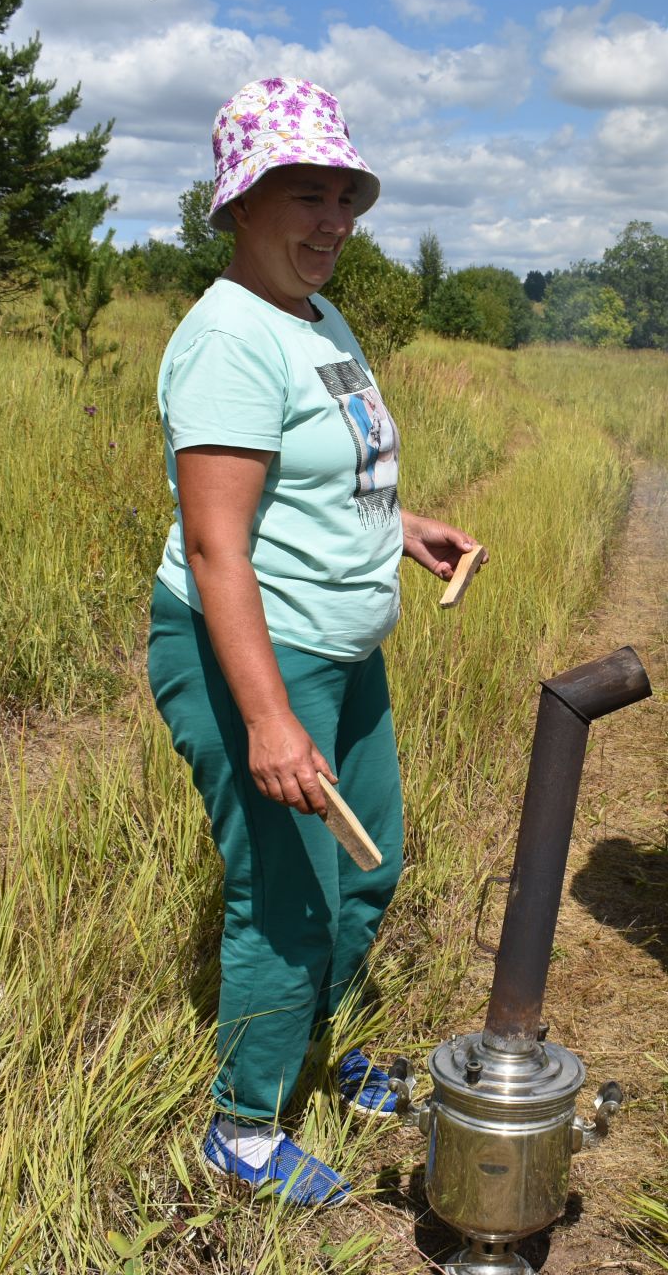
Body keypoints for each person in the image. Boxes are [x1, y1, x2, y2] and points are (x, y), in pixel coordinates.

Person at [147, 77, 480, 1207]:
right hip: (256, 654)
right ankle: (242, 1130)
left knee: (363, 867)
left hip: (341, 650)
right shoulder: (228, 339)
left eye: (343, 193)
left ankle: (318, 1053)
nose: (331, 218)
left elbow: (326, 477)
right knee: (288, 892)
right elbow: (215, 548)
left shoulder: (316, 316)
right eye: (304, 192)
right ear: (239, 201)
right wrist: (269, 715)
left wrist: (404, 526)